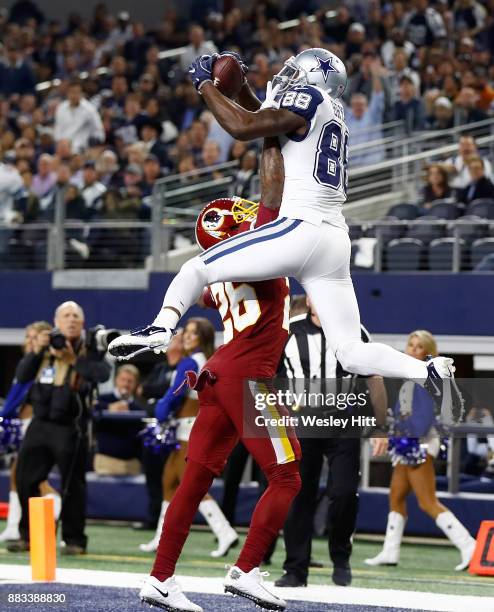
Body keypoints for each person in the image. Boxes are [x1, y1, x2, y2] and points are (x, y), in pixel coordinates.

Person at [110, 49, 456, 399]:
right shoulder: (330, 111)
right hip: (333, 238)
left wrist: (205, 86)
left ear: (311, 79)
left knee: (197, 268)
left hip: (301, 227)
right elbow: (265, 118)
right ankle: (426, 370)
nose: (286, 78)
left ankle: (160, 327)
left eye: (294, 72)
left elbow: (244, 127)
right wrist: (241, 87)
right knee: (350, 351)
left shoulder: (310, 97)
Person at [139, 133, 299, 610]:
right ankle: (246, 568)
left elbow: (210, 293)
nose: (256, 220)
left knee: (194, 482)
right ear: (237, 234)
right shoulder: (258, 259)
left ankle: (160, 578)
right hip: (247, 375)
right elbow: (273, 197)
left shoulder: (223, 275)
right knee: (287, 476)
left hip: (219, 374)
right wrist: (270, 134)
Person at [275, 297, 387, 588]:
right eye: (313, 290)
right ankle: (295, 569)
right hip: (302, 425)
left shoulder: (354, 331)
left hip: (343, 424)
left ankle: (341, 556)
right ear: (308, 298)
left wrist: (380, 426)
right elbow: (266, 376)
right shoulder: (287, 329)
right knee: (298, 495)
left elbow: (374, 378)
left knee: (345, 493)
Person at [364, 331, 476, 572]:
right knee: (395, 496)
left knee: (427, 502)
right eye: (410, 345)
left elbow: (423, 419)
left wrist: (406, 436)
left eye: (419, 347)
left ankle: (470, 547)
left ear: (428, 352)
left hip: (418, 444)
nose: (413, 350)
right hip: (407, 443)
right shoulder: (410, 376)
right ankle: (390, 551)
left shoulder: (425, 377)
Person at [7, 301, 110, 555]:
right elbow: (22, 375)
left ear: (82, 323)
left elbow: (102, 374)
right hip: (41, 423)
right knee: (24, 479)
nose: (71, 320)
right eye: (66, 316)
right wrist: (36, 350)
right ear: (57, 322)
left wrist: (72, 359)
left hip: (71, 425)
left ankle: (74, 540)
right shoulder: (44, 347)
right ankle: (28, 536)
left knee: (73, 484)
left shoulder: (90, 347)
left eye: (76, 316)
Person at [139, 318, 238, 558]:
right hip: (196, 427)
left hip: (190, 429)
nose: (186, 336)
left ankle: (225, 532)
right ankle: (160, 537)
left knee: (189, 483)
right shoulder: (208, 360)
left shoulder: (190, 362)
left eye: (193, 334)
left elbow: (174, 395)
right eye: (186, 332)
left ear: (202, 338)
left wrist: (159, 411)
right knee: (169, 481)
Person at [0, 321, 61, 542]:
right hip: (20, 424)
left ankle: (54, 517)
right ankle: (14, 525)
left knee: (37, 480)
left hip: (35, 425)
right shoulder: (26, 363)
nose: (29, 341)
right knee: (17, 476)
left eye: (34, 337)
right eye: (27, 337)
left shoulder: (45, 363)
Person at [93, 364, 143, 476]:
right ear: (116, 380)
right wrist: (109, 408)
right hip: (106, 461)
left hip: (132, 464)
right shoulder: (103, 399)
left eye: (130, 381)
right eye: (123, 379)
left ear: (135, 384)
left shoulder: (138, 407)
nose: (126, 384)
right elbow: (90, 409)